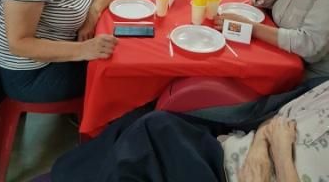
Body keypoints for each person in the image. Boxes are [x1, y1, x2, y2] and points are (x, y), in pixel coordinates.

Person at [51, 78, 329, 182]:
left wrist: (279, 155)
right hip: (233, 151)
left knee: (140, 149)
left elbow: (280, 137)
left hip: (234, 174)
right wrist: (260, 146)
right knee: (151, 122)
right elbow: (277, 117)